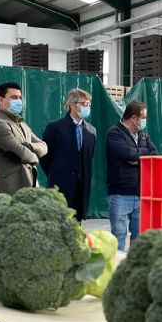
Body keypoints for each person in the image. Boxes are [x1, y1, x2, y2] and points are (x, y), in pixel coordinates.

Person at [105, 101, 158, 251]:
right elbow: (127, 153)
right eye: (144, 117)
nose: (145, 121)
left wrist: (137, 159)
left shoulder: (143, 135)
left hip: (141, 193)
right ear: (134, 118)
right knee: (119, 234)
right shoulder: (114, 133)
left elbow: (154, 153)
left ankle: (134, 268)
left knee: (140, 234)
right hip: (120, 194)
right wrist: (141, 155)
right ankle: (117, 268)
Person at [40, 88, 97, 222]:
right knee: (57, 224)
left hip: (81, 188)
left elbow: (89, 157)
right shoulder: (55, 127)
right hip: (60, 186)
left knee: (76, 228)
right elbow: (45, 157)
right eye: (83, 104)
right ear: (72, 105)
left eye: (88, 104)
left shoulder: (91, 131)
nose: (87, 107)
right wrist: (56, 173)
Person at [0, 82, 47, 195]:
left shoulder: (21, 122)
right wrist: (35, 156)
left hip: (28, 185)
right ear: (1, 100)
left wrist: (30, 146)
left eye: (19, 97)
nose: (18, 100)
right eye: (14, 97)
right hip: (7, 189)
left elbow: (44, 147)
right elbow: (23, 154)